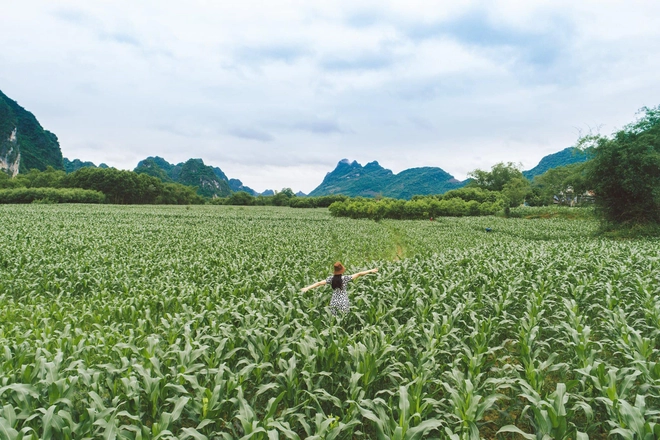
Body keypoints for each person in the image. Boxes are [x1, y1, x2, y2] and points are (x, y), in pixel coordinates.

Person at [301, 262, 378, 315]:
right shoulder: (345, 278)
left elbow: (319, 283)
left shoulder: (331, 279)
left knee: (334, 318)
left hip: (334, 300)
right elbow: (359, 274)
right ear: (341, 271)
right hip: (343, 300)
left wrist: (307, 288)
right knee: (343, 317)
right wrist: (371, 270)